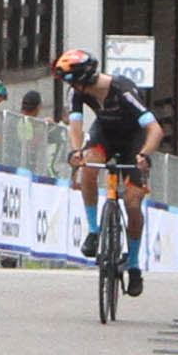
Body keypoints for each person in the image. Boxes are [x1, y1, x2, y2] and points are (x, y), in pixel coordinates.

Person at [53, 48, 164, 296]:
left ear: (85, 79)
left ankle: (133, 265)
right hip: (104, 134)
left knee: (132, 203)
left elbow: (155, 129)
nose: (73, 88)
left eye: (74, 83)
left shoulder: (122, 91)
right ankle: (94, 231)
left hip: (134, 140)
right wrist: (76, 151)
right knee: (88, 165)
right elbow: (75, 125)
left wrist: (145, 154)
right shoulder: (77, 92)